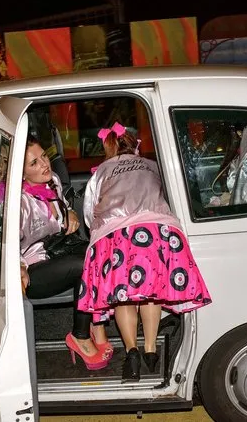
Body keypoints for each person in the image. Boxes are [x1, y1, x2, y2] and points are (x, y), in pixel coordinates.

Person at [78, 122, 212, 382]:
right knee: (152, 294)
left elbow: (88, 213)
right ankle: (151, 350)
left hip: (116, 237)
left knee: (123, 298)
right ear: (134, 144)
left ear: (108, 147)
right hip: (157, 234)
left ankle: (132, 353)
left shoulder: (101, 173)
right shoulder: (153, 166)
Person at [19, 135, 112, 371]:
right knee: (85, 264)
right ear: (21, 175)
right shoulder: (19, 203)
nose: (44, 164)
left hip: (58, 250)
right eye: (34, 163)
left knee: (101, 251)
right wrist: (17, 266)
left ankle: (96, 322)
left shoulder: (54, 182)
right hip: (34, 268)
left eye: (43, 157)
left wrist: (69, 211)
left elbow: (63, 207)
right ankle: (80, 335)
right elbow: (4, 243)